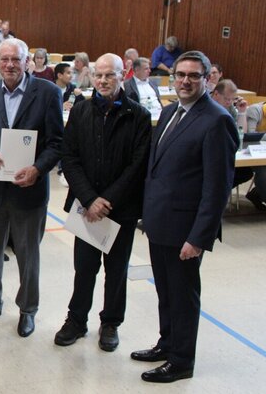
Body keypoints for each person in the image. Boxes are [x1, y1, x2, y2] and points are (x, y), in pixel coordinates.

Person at [133, 51, 238, 383]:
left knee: (183, 296)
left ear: (207, 79)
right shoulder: (168, 113)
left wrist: (198, 238)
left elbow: (217, 188)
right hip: (159, 222)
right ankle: (167, 343)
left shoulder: (217, 120)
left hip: (185, 229)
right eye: (180, 75)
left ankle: (181, 361)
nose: (185, 81)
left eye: (194, 76)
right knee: (165, 291)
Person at [0, 38, 64, 338]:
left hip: (29, 189)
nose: (10, 65)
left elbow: (57, 142)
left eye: (16, 59)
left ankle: (27, 310)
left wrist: (37, 169)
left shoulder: (48, 93)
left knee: (27, 256)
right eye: (5, 59)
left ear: (28, 61)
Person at [54, 54, 151, 352]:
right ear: (93, 77)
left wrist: (107, 200)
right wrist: (89, 199)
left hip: (119, 210)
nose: (104, 80)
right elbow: (69, 158)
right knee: (84, 267)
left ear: (124, 75)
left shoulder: (138, 116)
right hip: (86, 209)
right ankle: (76, 320)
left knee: (117, 269)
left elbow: (138, 164)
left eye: (110, 75)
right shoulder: (81, 111)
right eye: (99, 75)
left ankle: (110, 323)